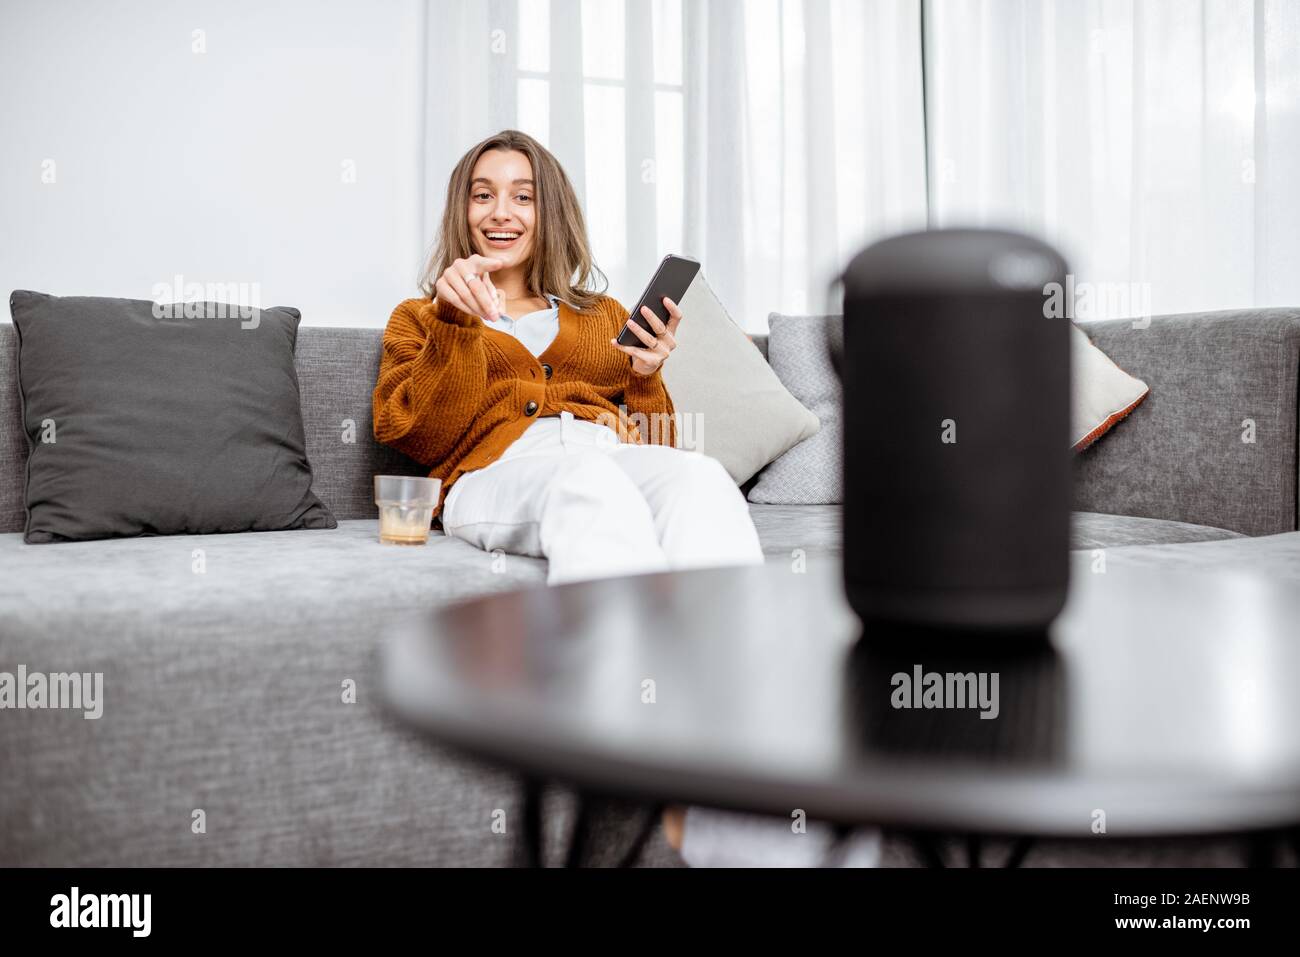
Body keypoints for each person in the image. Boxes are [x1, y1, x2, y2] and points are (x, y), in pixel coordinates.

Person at [373, 129, 878, 867]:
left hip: (607, 453)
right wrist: (456, 328)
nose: (501, 211)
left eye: (523, 195)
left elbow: (655, 445)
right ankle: (645, 751)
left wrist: (644, 375)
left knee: (701, 478)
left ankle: (750, 762)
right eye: (483, 195)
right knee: (592, 486)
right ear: (463, 211)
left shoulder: (600, 314)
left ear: (551, 213)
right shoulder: (421, 318)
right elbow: (413, 433)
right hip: (497, 474)